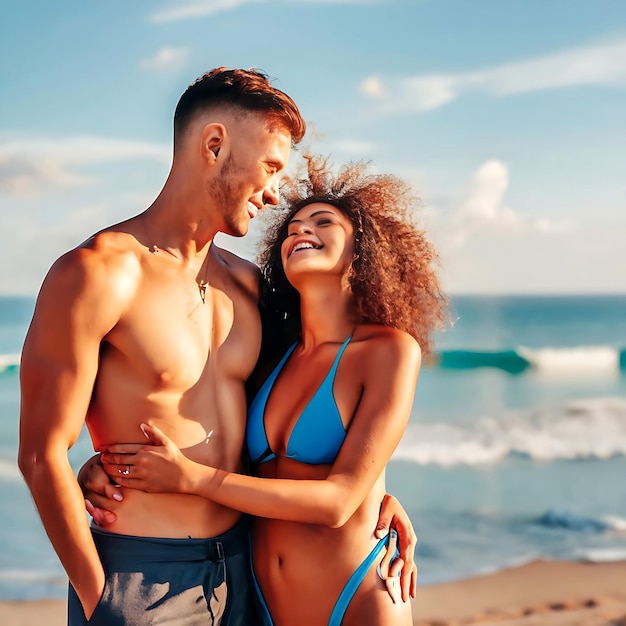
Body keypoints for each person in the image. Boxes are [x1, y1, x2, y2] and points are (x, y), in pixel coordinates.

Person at [19, 68, 415, 626]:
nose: (275, 192)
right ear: (214, 144)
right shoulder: (97, 274)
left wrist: (377, 496)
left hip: (245, 572)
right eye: (271, 166)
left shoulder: (249, 284)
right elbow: (40, 455)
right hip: (142, 577)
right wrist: (99, 597)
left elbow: (301, 410)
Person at [95, 156, 446, 625]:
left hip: (357, 596)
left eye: (323, 222)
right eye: (292, 227)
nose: (300, 230)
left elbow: (340, 501)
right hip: (258, 600)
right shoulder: (270, 354)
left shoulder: (388, 351)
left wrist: (191, 479)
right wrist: (102, 464)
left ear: (362, 251)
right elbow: (217, 441)